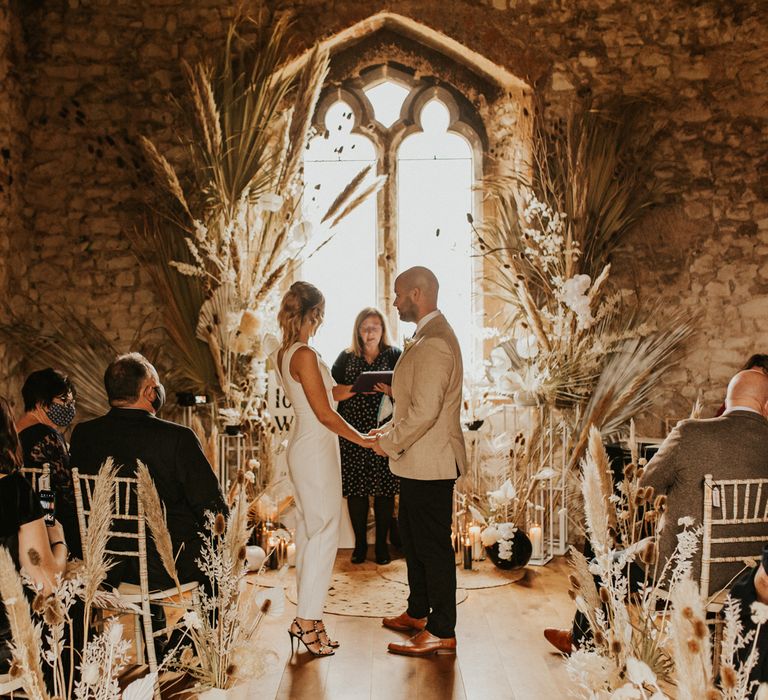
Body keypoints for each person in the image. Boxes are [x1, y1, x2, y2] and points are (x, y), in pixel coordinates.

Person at [544, 369, 768, 655]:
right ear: (766, 405)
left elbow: (647, 484)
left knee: (603, 565)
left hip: (684, 571)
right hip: (752, 578)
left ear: (728, 399)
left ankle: (581, 641)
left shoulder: (691, 433)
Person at [274, 281, 376, 658]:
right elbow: (323, 413)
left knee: (310, 531)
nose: (322, 320)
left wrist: (360, 387)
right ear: (314, 313)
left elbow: (325, 395)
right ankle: (305, 621)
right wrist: (364, 439)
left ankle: (310, 619)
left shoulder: (287, 352)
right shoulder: (302, 353)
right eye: (321, 313)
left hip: (307, 444)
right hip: (316, 446)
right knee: (323, 533)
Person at [69, 353, 227, 591]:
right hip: (165, 567)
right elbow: (212, 508)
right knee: (216, 552)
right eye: (156, 386)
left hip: (104, 562)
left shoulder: (84, 435)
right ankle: (196, 627)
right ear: (149, 393)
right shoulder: (178, 438)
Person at [372, 266, 467, 657]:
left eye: (398, 294)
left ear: (417, 293)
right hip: (417, 463)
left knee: (432, 547)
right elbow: (411, 401)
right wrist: (388, 432)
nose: (393, 302)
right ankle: (418, 612)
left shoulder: (436, 342)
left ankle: (442, 628)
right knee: (412, 540)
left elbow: (426, 411)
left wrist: (388, 443)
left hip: (432, 463)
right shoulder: (426, 337)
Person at [0, 396, 68, 673]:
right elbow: (47, 582)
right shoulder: (15, 489)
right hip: (8, 643)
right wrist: (59, 540)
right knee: (70, 622)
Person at [332, 307, 402, 565]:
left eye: (375, 327)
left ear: (383, 330)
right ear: (357, 330)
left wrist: (389, 389)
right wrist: (357, 387)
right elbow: (332, 393)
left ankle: (382, 547)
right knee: (357, 493)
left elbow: (410, 391)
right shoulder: (346, 357)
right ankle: (360, 546)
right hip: (351, 431)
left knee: (385, 491)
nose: (370, 332)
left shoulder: (395, 355)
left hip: (385, 430)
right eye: (365, 327)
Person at [16, 368, 81, 558]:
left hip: (16, 519)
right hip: (48, 522)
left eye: (71, 402)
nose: (69, 407)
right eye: (63, 401)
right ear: (40, 401)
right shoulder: (49, 436)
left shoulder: (11, 432)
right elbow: (68, 490)